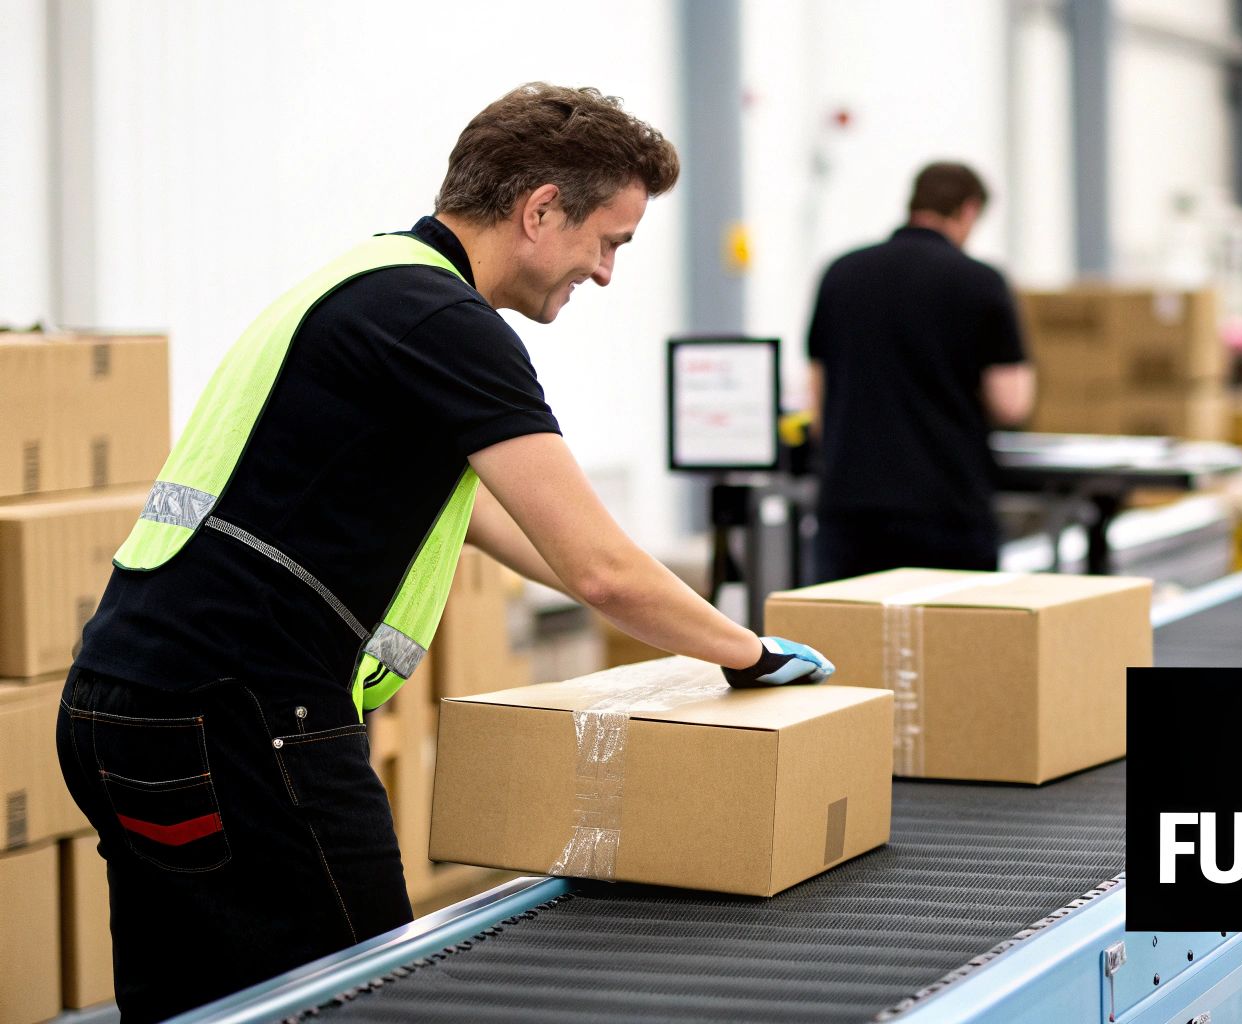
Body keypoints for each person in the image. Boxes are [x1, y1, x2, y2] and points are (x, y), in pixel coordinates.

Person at [55, 83, 832, 1023]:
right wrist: (747, 653)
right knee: (362, 999)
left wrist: (692, 625)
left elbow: (514, 527)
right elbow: (600, 569)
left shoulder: (366, 280)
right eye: (611, 241)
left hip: (125, 706)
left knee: (193, 1006)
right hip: (245, 723)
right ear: (541, 208)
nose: (606, 273)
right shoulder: (445, 322)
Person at [806, 161, 1035, 582]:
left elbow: (816, 401)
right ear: (968, 211)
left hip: (850, 508)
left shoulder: (841, 274)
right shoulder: (980, 281)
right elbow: (1011, 402)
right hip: (947, 508)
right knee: (952, 644)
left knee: (846, 640)